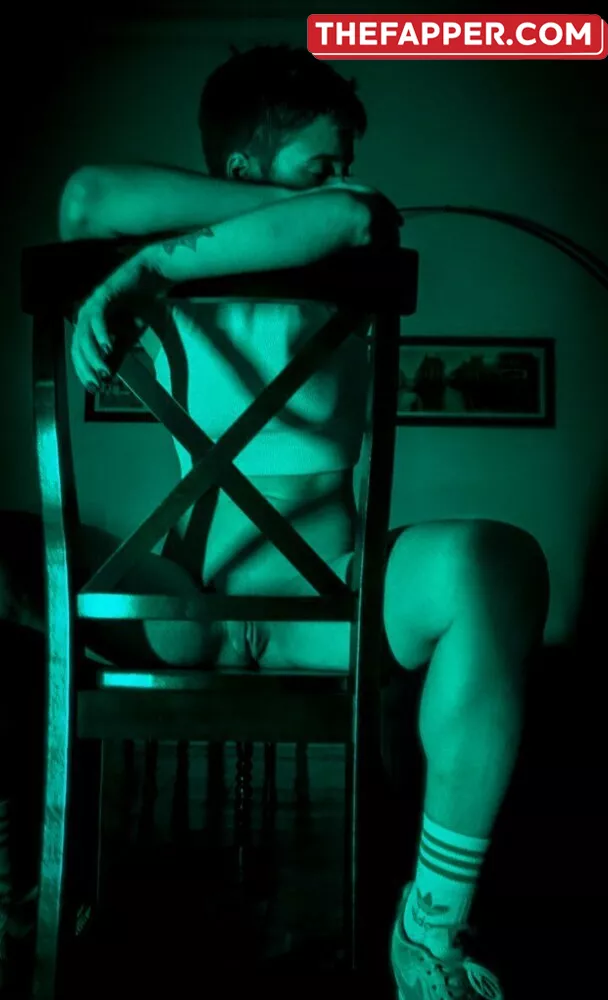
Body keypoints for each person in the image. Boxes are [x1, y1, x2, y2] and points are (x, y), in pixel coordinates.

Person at [4, 45, 549, 998]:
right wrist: (186, 246)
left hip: (331, 604)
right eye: (320, 160)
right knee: (8, 553)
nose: (345, 178)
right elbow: (86, 198)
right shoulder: (198, 241)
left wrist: (151, 266)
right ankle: (22, 901)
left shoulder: (343, 226)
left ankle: (429, 930)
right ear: (243, 167)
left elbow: (351, 213)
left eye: (344, 163)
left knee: (496, 562)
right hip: (183, 607)